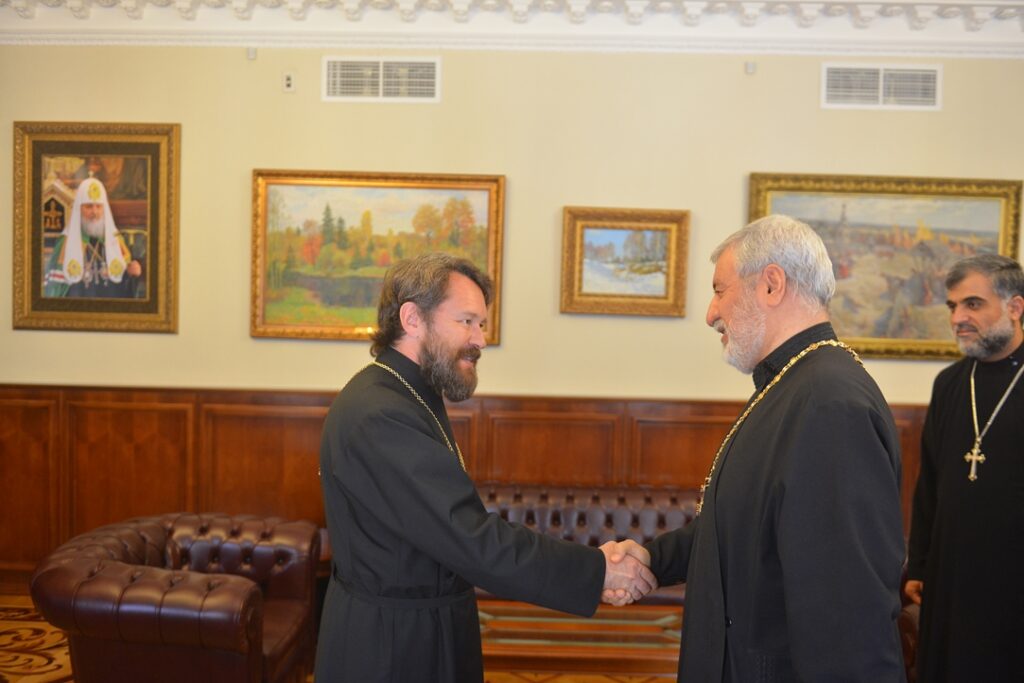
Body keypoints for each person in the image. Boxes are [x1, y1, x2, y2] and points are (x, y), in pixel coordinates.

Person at [315, 252, 655, 682]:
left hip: (416, 629)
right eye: (466, 322)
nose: (480, 339)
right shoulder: (380, 413)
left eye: (482, 325)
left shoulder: (404, 394)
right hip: (392, 648)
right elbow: (471, 538)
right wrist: (595, 570)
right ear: (412, 318)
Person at [607, 215, 906, 681]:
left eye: (720, 290)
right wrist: (652, 559)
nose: (710, 313)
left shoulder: (830, 404)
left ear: (771, 284)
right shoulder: (791, 384)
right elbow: (741, 526)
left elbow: (847, 612)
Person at [905, 254, 1024, 682]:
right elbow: (930, 485)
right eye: (952, 307)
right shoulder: (951, 383)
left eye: (972, 304)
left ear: (1015, 307)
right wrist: (918, 563)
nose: (958, 318)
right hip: (951, 575)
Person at [43, 177, 144, 298]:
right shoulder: (66, 242)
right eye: (89, 206)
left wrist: (132, 272)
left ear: (104, 209)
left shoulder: (116, 241)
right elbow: (54, 288)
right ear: (78, 209)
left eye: (98, 206)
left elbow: (125, 282)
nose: (94, 212)